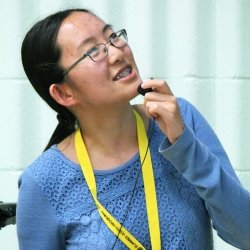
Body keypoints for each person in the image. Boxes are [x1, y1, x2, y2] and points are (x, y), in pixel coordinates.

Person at [16, 8, 250, 250]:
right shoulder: (43, 183)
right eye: (92, 51)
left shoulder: (180, 119)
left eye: (112, 36)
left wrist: (184, 144)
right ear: (64, 93)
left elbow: (246, 233)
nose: (117, 53)